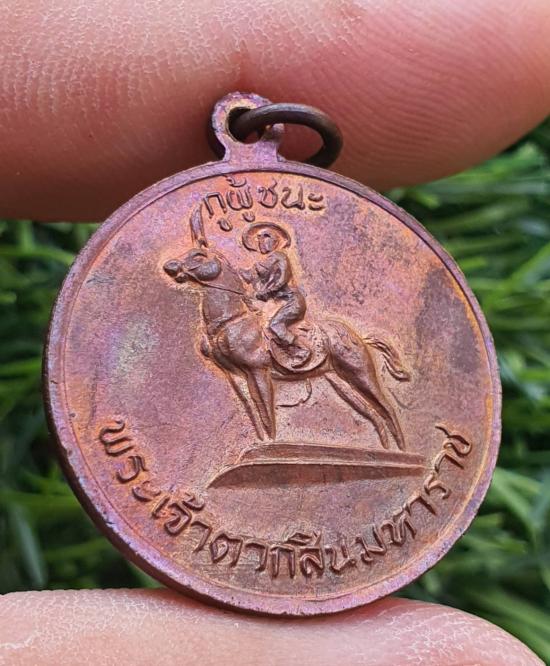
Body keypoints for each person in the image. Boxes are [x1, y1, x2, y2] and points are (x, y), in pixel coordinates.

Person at [0, 1, 548, 663]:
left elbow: (282, 295)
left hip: (292, 313)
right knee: (241, 337)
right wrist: (249, 289)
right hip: (260, 307)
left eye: (263, 242)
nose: (259, 248)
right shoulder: (250, 272)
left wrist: (271, 300)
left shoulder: (281, 264)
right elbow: (251, 288)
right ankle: (270, 433)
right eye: (255, 245)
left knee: (287, 335)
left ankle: (377, 424)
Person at [242, 223, 311, 367]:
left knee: (275, 325)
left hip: (292, 301)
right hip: (277, 303)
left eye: (266, 238)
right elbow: (248, 276)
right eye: (259, 239)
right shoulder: (265, 261)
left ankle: (302, 350)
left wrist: (266, 292)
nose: (261, 242)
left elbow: (282, 280)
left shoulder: (280, 257)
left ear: (275, 242)